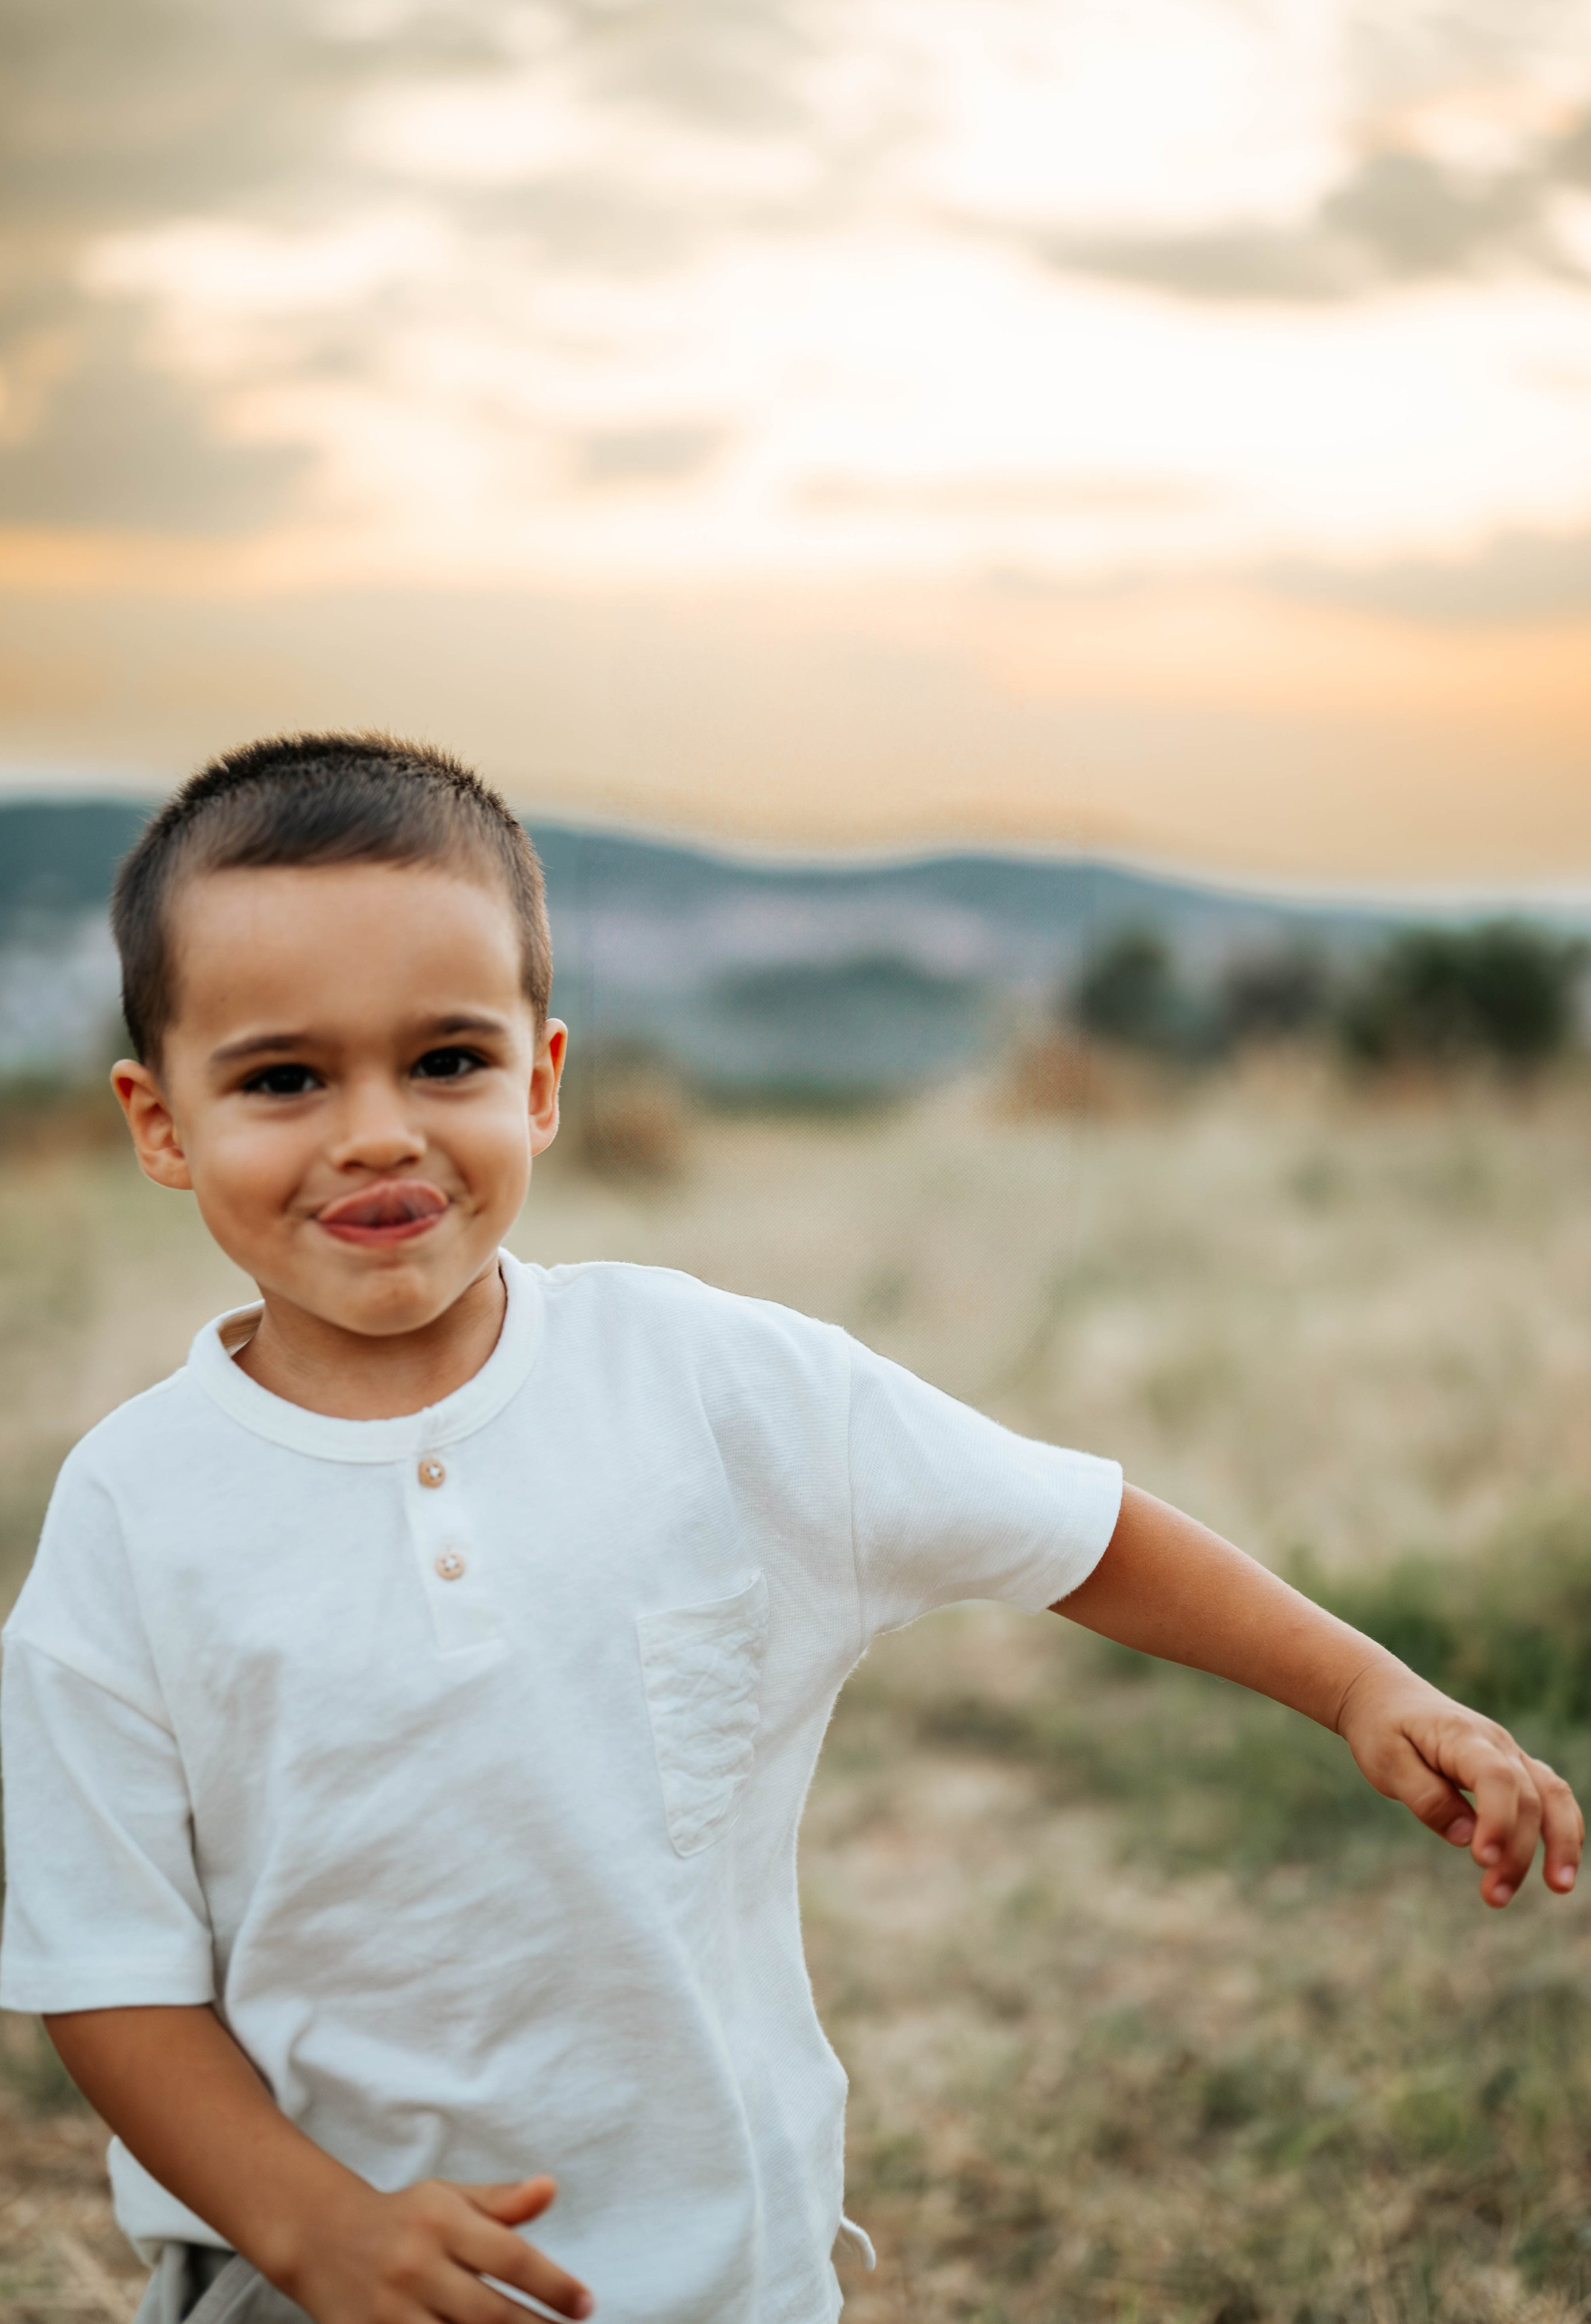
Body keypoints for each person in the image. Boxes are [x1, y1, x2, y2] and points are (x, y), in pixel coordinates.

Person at [0, 735, 1579, 2324]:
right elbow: (109, 1971)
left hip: (719, 2267)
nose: (376, 1133)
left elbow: (1073, 1529)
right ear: (160, 1122)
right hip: (310, 2285)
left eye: (445, 1062)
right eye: (284, 1079)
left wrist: (1366, 1688)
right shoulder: (137, 1514)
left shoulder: (717, 1384)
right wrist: (311, 2229)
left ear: (541, 1082)